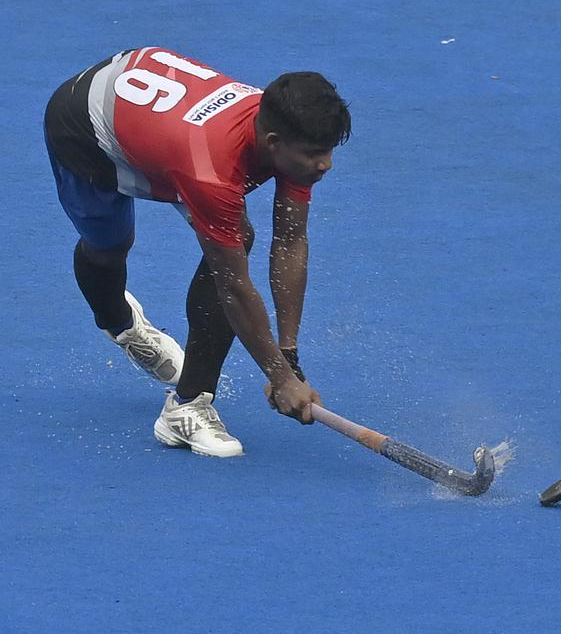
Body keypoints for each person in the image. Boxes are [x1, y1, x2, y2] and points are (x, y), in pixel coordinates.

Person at [44, 47, 351, 457]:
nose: (325, 164)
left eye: (329, 151)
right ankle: (121, 325)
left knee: (235, 237)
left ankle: (186, 406)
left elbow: (290, 240)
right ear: (274, 144)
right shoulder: (212, 172)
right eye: (316, 154)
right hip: (86, 132)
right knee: (109, 248)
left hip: (163, 123)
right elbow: (234, 285)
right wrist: (279, 377)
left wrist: (289, 356)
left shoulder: (291, 130)